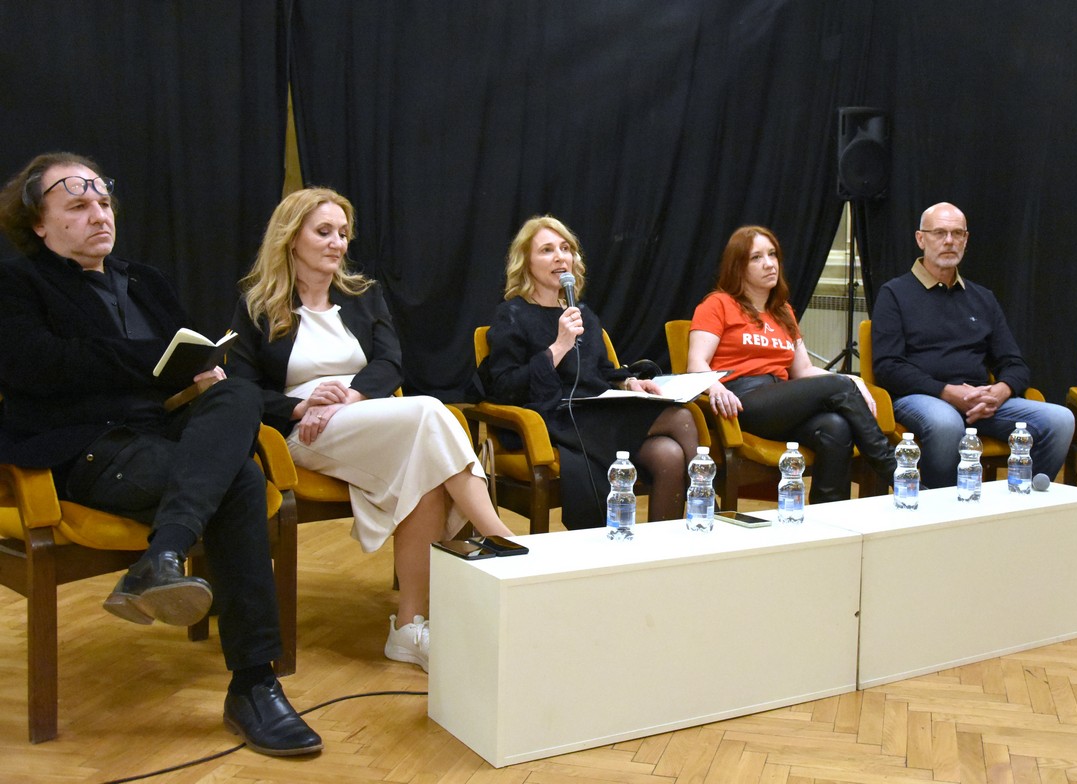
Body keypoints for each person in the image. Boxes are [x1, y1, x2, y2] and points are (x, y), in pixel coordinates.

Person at [0, 153, 322, 756]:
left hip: (169, 433)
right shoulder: (17, 285)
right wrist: (154, 362)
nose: (100, 215)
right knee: (240, 484)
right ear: (39, 224)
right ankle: (254, 684)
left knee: (237, 391)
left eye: (103, 203)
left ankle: (164, 554)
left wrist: (202, 371)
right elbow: (39, 366)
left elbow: (188, 355)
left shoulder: (145, 280)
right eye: (78, 205)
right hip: (89, 447)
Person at [228, 187, 516, 670]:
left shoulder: (363, 295)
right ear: (291, 237)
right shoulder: (258, 306)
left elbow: (389, 362)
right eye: (324, 232)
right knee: (430, 412)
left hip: (367, 416)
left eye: (343, 233)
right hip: (305, 432)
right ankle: (497, 534)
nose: (337, 243)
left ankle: (408, 629)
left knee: (425, 467)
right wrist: (301, 407)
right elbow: (241, 390)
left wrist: (350, 397)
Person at [482, 215, 700, 529]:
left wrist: (629, 382)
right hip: (553, 418)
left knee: (668, 454)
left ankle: (663, 551)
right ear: (526, 262)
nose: (560, 257)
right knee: (680, 417)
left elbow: (600, 372)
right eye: (546, 250)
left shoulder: (583, 313)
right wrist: (559, 346)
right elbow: (505, 386)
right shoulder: (512, 314)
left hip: (596, 412)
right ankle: (711, 511)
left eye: (565, 248)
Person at [870, 202, 1074, 490]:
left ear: (966, 240)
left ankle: (1023, 505)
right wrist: (946, 391)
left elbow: (1014, 363)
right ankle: (942, 509)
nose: (949, 241)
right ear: (920, 239)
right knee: (946, 424)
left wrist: (1001, 391)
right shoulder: (894, 293)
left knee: (1061, 420)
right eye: (939, 233)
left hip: (981, 403)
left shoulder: (982, 298)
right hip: (920, 397)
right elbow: (888, 367)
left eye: (957, 233)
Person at [686, 225, 896, 502]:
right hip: (742, 400)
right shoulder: (718, 304)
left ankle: (828, 515)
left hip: (781, 402)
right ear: (738, 266)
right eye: (756, 257)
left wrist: (853, 379)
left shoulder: (782, 311)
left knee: (836, 427)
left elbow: (804, 370)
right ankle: (896, 472)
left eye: (772, 254)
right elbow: (695, 363)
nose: (769, 263)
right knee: (840, 386)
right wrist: (715, 387)